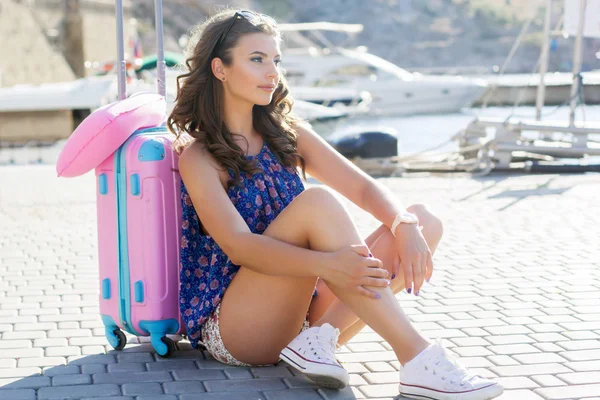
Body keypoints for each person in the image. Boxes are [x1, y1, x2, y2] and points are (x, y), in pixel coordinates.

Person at [167, 9, 504, 400]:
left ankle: (318, 341)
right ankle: (418, 360)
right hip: (240, 327)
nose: (272, 72)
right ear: (220, 69)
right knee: (318, 203)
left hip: (302, 313)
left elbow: (362, 189)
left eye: (275, 60)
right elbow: (239, 246)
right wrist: (326, 266)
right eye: (256, 59)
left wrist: (404, 224)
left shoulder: (288, 135)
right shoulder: (200, 156)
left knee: (423, 220)